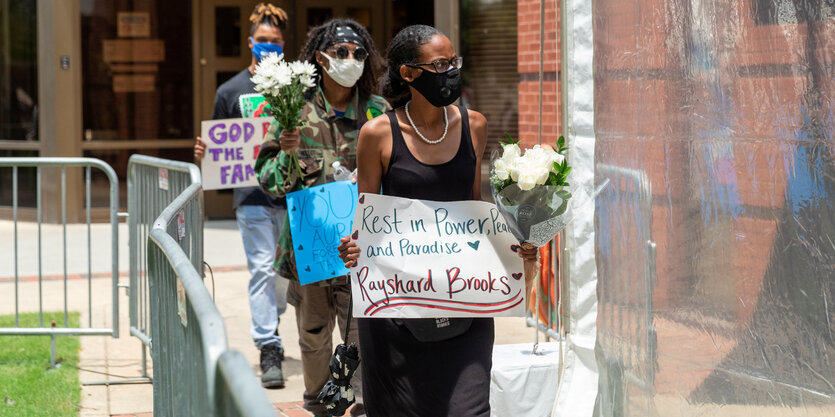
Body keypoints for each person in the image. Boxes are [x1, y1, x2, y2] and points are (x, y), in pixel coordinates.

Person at [336, 25, 537, 417]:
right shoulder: (377, 134)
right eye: (440, 64)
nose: (450, 71)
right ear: (409, 73)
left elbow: (473, 207)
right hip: (398, 303)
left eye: (453, 62)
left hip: (463, 296)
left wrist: (514, 245)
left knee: (470, 408)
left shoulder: (474, 126)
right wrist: (353, 245)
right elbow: (366, 218)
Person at [254, 18, 389, 417]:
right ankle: (319, 405)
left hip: (361, 247)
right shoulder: (293, 112)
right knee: (314, 336)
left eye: (358, 53)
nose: (350, 59)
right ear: (320, 57)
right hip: (309, 250)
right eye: (341, 52)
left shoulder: (377, 112)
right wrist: (288, 151)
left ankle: (362, 404)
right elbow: (268, 181)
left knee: (361, 333)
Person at [193, 3, 290, 389]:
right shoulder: (229, 91)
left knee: (283, 277)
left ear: (284, 46)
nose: (268, 46)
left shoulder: (295, 87)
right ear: (251, 42)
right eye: (263, 40)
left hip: (291, 196)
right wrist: (205, 154)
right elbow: (220, 148)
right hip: (251, 198)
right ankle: (269, 345)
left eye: (276, 42)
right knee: (263, 270)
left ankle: (274, 319)